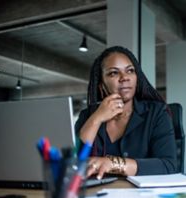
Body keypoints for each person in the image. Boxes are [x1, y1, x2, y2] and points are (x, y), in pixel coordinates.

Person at [75, 46, 177, 179]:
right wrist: (96, 119)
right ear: (101, 85)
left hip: (143, 196)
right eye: (114, 73)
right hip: (98, 195)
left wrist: (113, 164)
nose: (124, 78)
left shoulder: (157, 113)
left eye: (130, 71)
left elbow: (168, 165)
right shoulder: (87, 116)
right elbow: (74, 164)